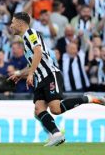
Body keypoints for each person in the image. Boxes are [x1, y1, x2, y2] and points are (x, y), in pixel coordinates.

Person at [8, 12, 105, 146]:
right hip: (40, 78)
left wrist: (30, 74)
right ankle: (56, 134)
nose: (11, 25)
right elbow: (34, 64)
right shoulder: (25, 41)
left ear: (20, 23)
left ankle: (88, 98)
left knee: (56, 109)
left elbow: (38, 52)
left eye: (13, 22)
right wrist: (21, 74)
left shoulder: (31, 34)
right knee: (38, 110)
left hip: (50, 75)